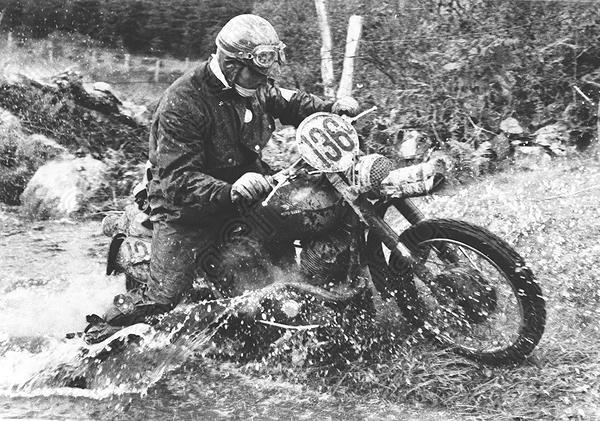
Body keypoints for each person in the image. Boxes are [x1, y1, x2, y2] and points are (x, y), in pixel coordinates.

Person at [84, 14, 359, 343]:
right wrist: (231, 189)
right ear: (231, 64)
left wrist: (331, 108)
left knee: (292, 225)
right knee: (163, 297)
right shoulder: (183, 102)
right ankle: (98, 336)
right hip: (187, 209)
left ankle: (301, 304)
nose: (263, 80)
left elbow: (287, 101)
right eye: (257, 73)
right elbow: (176, 180)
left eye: (265, 73)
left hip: (247, 190)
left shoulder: (253, 85)